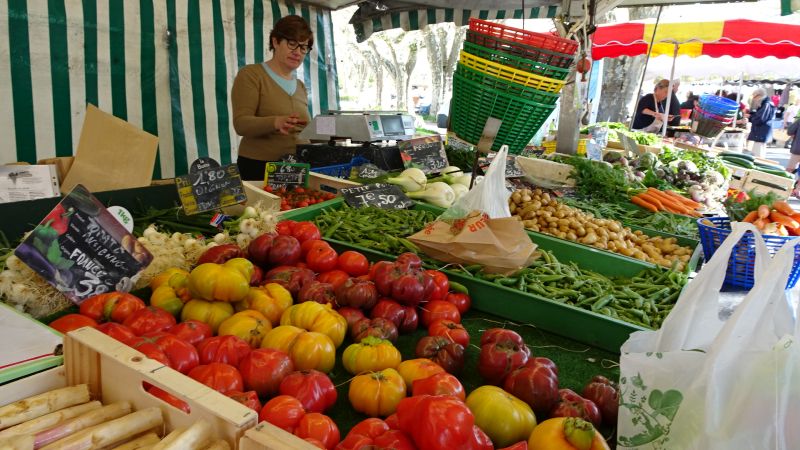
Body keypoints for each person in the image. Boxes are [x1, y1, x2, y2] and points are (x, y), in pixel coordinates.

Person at [231, 15, 313, 181]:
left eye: (303, 47)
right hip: (257, 168)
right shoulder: (251, 75)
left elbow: (304, 131)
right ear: (275, 42)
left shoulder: (300, 86)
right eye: (292, 44)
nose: (297, 52)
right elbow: (241, 124)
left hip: (295, 169)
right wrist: (275, 122)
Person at [747, 88, 776, 158]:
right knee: (758, 152)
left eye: (755, 97)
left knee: (758, 154)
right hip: (762, 132)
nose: (754, 99)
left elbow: (760, 118)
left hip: (761, 132)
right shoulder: (766, 104)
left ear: (760, 96)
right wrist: (752, 115)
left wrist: (750, 117)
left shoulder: (766, 104)